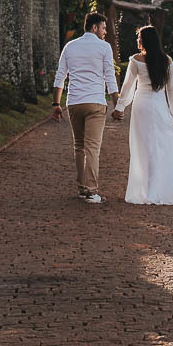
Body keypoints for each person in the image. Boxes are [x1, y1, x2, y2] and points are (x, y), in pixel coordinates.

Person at [112, 23, 173, 205]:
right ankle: (162, 187)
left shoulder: (135, 60)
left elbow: (128, 86)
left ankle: (148, 189)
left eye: (139, 37)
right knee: (161, 146)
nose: (137, 40)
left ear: (145, 40)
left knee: (144, 147)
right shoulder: (167, 61)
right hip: (160, 106)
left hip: (142, 105)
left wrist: (120, 107)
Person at [51, 12, 119, 204]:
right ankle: (90, 190)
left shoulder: (70, 46)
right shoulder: (104, 47)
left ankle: (82, 188)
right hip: (95, 102)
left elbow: (60, 76)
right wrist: (117, 103)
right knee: (92, 147)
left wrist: (56, 104)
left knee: (79, 146)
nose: (105, 32)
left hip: (74, 102)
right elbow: (110, 77)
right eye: (104, 28)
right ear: (94, 28)